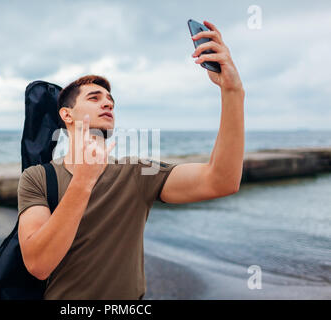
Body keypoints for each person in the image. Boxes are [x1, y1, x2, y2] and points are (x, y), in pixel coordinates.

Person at [17, 21, 245, 300]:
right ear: (67, 115)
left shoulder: (136, 172)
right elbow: (38, 264)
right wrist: (84, 181)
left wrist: (233, 92)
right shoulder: (37, 178)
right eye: (94, 97)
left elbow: (221, 181)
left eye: (111, 99)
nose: (108, 103)